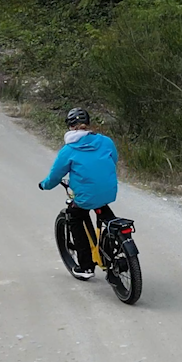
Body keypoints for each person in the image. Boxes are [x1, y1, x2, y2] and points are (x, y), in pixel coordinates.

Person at [39, 107, 118, 280]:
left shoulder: (69, 150)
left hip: (85, 196)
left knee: (75, 217)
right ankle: (114, 240)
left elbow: (55, 176)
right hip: (109, 191)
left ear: (70, 126)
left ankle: (86, 266)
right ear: (88, 124)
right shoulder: (105, 141)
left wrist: (44, 185)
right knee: (102, 209)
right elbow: (114, 159)